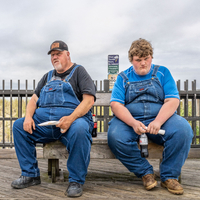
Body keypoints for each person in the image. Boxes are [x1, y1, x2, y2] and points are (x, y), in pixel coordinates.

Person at [107, 38, 193, 195]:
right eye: (138, 60)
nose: (143, 63)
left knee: (184, 130)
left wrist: (158, 121)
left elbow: (172, 100)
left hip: (162, 118)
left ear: (151, 57)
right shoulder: (123, 77)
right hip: (130, 120)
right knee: (115, 136)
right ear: (131, 60)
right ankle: (145, 173)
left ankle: (169, 176)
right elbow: (116, 105)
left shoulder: (163, 72)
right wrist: (133, 123)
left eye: (146, 58)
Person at [11, 40, 96, 198]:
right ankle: (30, 175)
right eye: (52, 55)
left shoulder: (79, 72)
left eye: (58, 54)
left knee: (80, 129)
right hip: (45, 124)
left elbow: (88, 101)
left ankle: (76, 181)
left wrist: (70, 119)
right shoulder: (47, 76)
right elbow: (33, 100)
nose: (55, 57)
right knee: (18, 126)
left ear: (67, 54)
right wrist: (28, 117)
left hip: (72, 122)